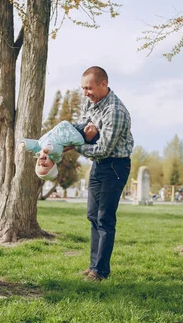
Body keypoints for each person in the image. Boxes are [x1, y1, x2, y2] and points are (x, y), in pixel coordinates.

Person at [66, 66, 133, 281]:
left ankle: (100, 272)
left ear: (103, 84)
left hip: (115, 166)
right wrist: (68, 136)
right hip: (99, 165)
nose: (85, 93)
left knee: (105, 218)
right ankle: (93, 265)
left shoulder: (115, 111)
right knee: (92, 215)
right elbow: (84, 125)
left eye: (89, 88)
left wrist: (76, 148)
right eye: (83, 88)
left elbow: (104, 148)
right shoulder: (92, 102)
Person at [19, 120, 99, 181]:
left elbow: (33, 144)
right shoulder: (55, 156)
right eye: (45, 166)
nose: (41, 163)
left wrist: (23, 144)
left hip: (69, 129)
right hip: (77, 134)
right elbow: (53, 148)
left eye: (39, 165)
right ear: (53, 164)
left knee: (92, 124)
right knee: (96, 130)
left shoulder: (39, 149)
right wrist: (46, 150)